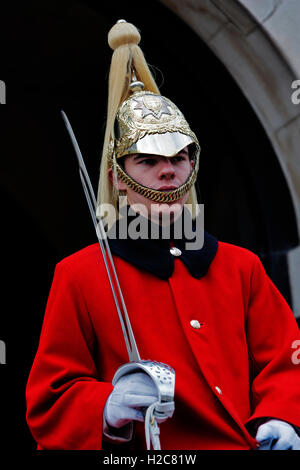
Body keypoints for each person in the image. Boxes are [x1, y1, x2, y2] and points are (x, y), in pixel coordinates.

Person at [25, 20, 300, 451]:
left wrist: (283, 416)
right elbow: (51, 397)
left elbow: (285, 361)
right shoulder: (79, 274)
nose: (168, 170)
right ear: (118, 178)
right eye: (147, 160)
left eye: (180, 155)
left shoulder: (240, 266)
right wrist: (106, 406)